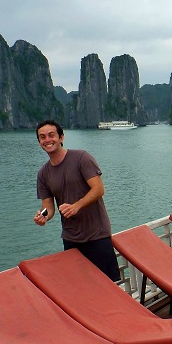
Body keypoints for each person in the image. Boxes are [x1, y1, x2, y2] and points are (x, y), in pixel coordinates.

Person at [33, 120, 121, 281]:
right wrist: (43, 216)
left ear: (61, 138)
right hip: (71, 238)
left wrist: (76, 206)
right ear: (39, 142)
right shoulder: (43, 174)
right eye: (42, 137)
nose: (47, 140)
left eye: (51, 135)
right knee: (80, 287)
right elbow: (48, 207)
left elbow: (98, 189)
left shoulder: (81, 157)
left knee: (109, 286)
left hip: (97, 235)